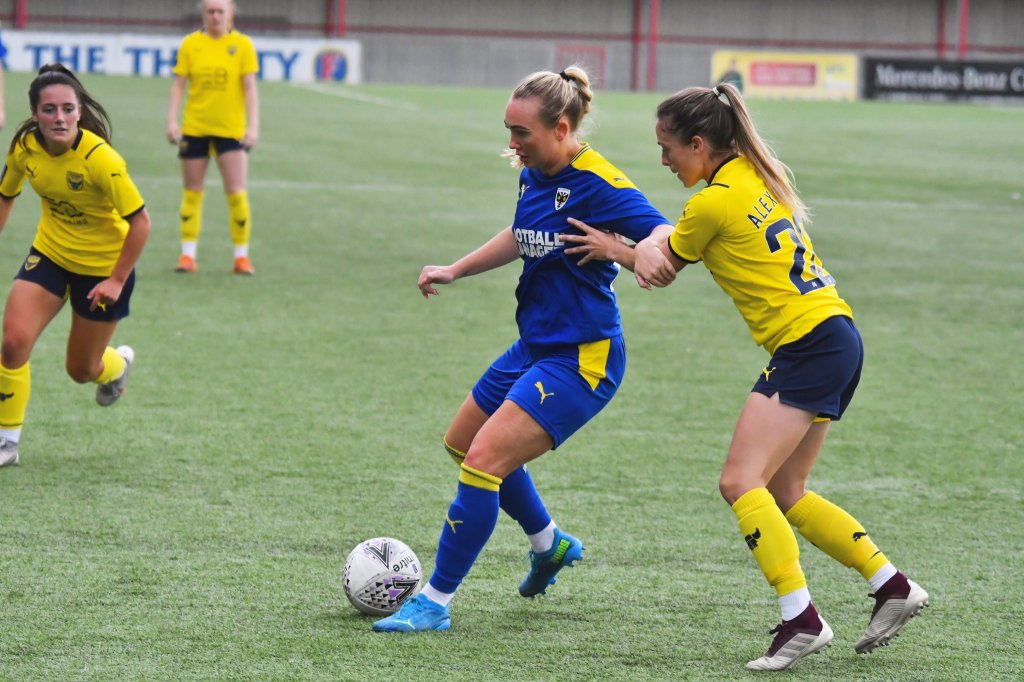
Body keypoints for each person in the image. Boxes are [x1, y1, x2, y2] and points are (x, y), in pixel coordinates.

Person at [630, 82, 929, 670]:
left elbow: (660, 268)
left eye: (668, 148)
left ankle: (802, 618)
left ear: (698, 144)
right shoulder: (752, 175)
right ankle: (891, 585)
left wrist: (612, 247)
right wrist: (648, 239)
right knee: (787, 490)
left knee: (740, 482)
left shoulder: (712, 202)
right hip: (838, 334)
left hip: (808, 344)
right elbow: (672, 240)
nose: (663, 160)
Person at [372, 66, 675, 633]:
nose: (512, 143)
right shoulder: (535, 172)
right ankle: (549, 543)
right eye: (509, 130)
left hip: (583, 358)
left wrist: (624, 250)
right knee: (463, 443)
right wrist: (456, 268)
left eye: (522, 133)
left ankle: (434, 601)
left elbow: (664, 239)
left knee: (484, 462)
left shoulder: (599, 182)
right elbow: (521, 234)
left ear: (560, 128)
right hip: (536, 345)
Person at [0, 64, 151, 467]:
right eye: (49, 109)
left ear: (80, 111)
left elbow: (141, 223)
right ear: (35, 113)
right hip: (50, 255)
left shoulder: (102, 160)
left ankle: (117, 366)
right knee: (13, 342)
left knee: (82, 370)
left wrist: (117, 280)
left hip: (103, 270)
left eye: (68, 109)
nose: (60, 118)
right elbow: (5, 194)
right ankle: (6, 442)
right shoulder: (24, 147)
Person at [166, 0, 259, 275]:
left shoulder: (242, 45)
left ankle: (241, 257)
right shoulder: (190, 44)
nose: (216, 16)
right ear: (203, 14)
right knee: (192, 192)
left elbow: (250, 88)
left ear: (230, 14)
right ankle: (187, 255)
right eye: (211, 11)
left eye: (221, 11)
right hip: (195, 128)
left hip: (231, 130)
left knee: (237, 192)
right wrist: (172, 120)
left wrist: (253, 126)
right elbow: (179, 84)